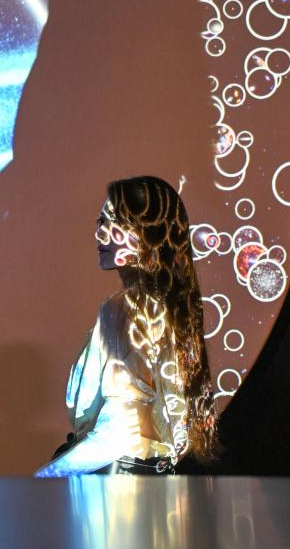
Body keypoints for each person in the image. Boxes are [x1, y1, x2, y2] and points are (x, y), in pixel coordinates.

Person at [33, 176, 221, 477]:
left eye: (117, 222)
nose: (100, 232)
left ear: (148, 232)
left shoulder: (128, 308)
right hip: (154, 485)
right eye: (100, 221)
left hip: (119, 492)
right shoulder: (168, 306)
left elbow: (119, 433)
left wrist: (41, 481)